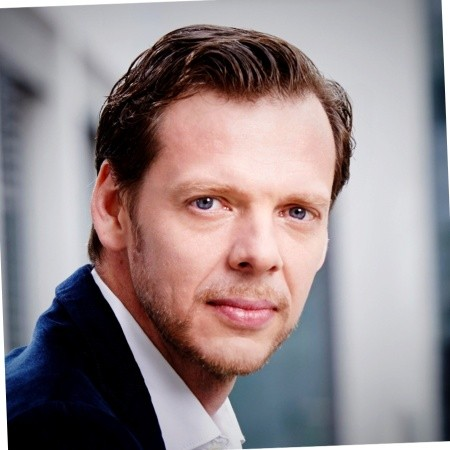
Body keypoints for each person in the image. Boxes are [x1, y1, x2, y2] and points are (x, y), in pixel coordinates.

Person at [5, 24, 353, 449]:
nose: (261, 254)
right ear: (113, 208)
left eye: (297, 212)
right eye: (208, 202)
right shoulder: (49, 431)